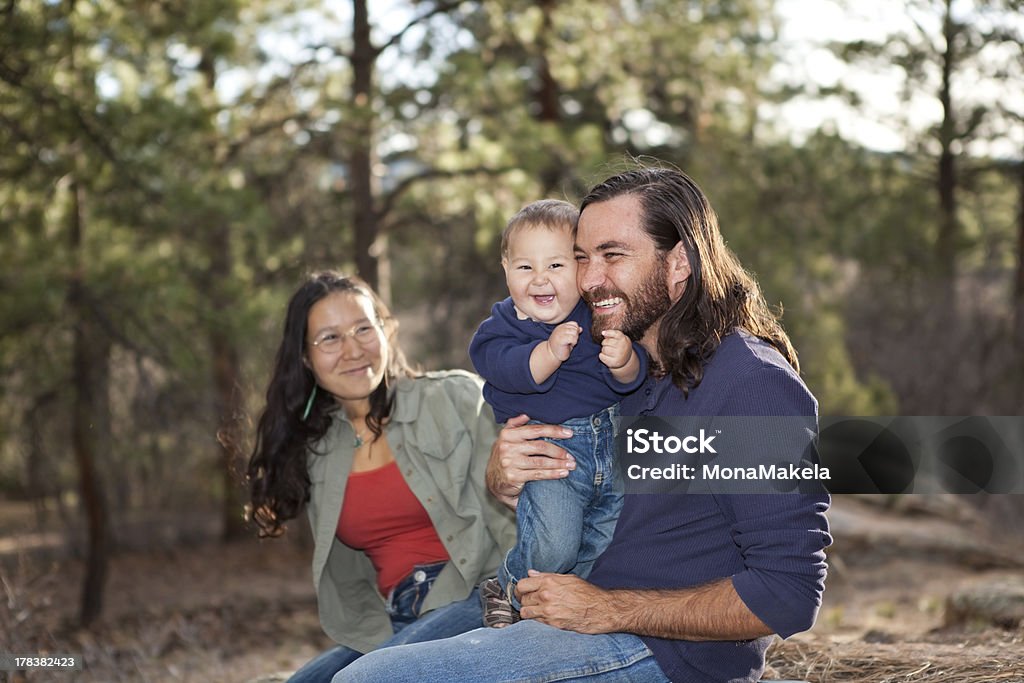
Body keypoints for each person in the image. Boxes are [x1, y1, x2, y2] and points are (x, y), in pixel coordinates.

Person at [334, 166, 832, 683]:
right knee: (335, 672)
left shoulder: (752, 383)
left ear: (679, 262)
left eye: (613, 255)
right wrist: (504, 476)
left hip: (659, 652)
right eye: (581, 257)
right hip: (559, 607)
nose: (590, 279)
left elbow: (789, 593)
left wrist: (609, 610)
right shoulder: (614, 367)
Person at [246, 272, 516, 683]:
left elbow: (518, 508)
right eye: (330, 338)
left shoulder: (455, 398)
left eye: (362, 329)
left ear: (385, 331)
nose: (353, 350)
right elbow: (350, 576)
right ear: (304, 358)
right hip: (394, 620)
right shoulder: (317, 451)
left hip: (478, 596)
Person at [469, 199, 647, 627]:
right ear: (505, 268)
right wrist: (548, 352)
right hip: (554, 452)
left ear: (581, 271)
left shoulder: (597, 316)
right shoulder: (501, 329)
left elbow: (632, 380)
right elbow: (510, 370)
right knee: (555, 545)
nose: (540, 279)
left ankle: (552, 609)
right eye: (525, 268)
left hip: (613, 444)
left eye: (556, 266)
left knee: (606, 539)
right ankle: (508, 584)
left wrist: (624, 359)